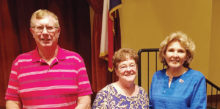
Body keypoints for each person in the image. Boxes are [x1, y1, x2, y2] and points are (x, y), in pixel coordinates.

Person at [5, 9, 92, 109]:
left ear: (58, 31)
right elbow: (12, 102)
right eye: (39, 28)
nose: (45, 32)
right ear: (32, 32)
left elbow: (85, 100)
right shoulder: (19, 63)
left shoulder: (76, 60)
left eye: (50, 28)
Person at [149, 31, 207, 109]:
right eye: (171, 50)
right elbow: (151, 106)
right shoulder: (157, 76)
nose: (175, 55)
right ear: (164, 54)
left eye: (180, 51)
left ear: (187, 56)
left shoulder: (197, 78)